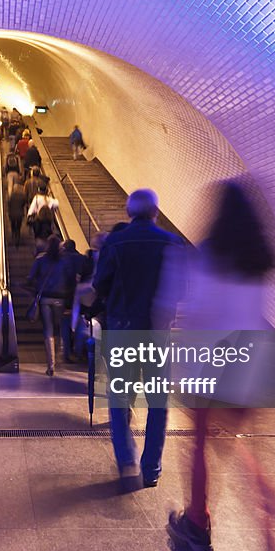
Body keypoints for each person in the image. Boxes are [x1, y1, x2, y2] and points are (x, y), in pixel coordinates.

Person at [163, 180, 275, 551]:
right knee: (246, 455)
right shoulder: (261, 260)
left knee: (198, 446)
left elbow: (196, 313)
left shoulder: (207, 256)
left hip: (209, 364)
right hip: (249, 368)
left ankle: (198, 524)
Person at [92, 189, 186, 487]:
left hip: (122, 329)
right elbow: (181, 289)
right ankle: (152, 468)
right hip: (158, 332)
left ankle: (127, 461)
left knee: (119, 397)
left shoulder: (116, 242)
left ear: (128, 211)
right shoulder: (172, 242)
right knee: (158, 401)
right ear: (156, 212)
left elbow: (99, 284)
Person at [27, 236, 74, 376]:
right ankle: (61, 357)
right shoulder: (65, 261)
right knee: (58, 329)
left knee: (48, 330)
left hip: (45, 298)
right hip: (60, 298)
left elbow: (30, 278)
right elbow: (71, 280)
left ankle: (51, 364)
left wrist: (36, 286)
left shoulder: (40, 259)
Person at [28, 185, 59, 256]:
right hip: (48, 217)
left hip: (40, 217)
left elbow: (31, 209)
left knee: (38, 235)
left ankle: (38, 253)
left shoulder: (37, 198)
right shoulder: (49, 199)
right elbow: (57, 203)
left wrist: (29, 215)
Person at [7, 180, 28, 248]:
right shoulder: (22, 196)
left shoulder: (11, 196)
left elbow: (9, 204)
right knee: (18, 227)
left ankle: (13, 235)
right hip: (20, 214)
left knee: (13, 225)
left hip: (12, 214)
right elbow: (24, 203)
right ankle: (17, 239)